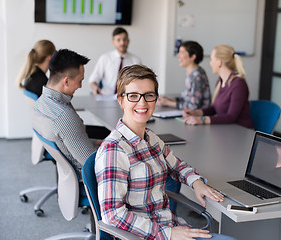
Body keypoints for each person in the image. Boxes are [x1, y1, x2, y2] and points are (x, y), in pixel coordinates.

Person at [95, 64, 237, 240]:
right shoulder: (114, 150)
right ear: (121, 100)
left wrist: (196, 182)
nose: (142, 103)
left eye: (149, 95)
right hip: (146, 235)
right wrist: (167, 234)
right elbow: (113, 215)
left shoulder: (150, 138)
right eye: (133, 96)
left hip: (170, 226)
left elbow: (177, 165)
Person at [32, 49, 97, 173]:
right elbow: (90, 163)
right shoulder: (64, 116)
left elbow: (70, 141)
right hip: (89, 180)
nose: (80, 86)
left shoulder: (41, 103)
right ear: (66, 81)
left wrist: (96, 142)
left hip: (68, 173)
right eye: (80, 80)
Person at [182, 44, 253, 129]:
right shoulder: (220, 81)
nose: (210, 63)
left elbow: (231, 117)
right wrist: (196, 113)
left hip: (241, 132)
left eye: (212, 59)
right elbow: (214, 109)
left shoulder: (238, 84)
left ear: (219, 62)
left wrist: (202, 120)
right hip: (226, 130)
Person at [158, 41, 211, 110]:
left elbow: (194, 106)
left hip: (196, 117)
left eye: (182, 52)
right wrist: (170, 100)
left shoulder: (197, 75)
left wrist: (168, 103)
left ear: (192, 57)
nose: (178, 55)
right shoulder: (190, 73)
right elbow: (186, 99)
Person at [89, 27, 141, 96]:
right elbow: (93, 79)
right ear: (113, 42)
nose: (122, 43)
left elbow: (140, 82)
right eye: (118, 40)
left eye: (124, 39)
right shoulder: (105, 58)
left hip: (127, 98)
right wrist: (95, 88)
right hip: (106, 97)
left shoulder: (136, 60)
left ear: (128, 41)